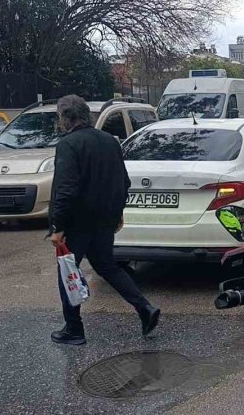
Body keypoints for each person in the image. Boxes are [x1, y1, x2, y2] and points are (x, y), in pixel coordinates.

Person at [48, 95, 160, 345]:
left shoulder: (68, 145)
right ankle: (145, 308)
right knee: (107, 266)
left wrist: (58, 226)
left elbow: (66, 190)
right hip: (105, 219)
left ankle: (73, 329)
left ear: (65, 118)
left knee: (67, 270)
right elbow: (123, 181)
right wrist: (118, 211)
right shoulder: (109, 141)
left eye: (59, 117)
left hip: (77, 223)